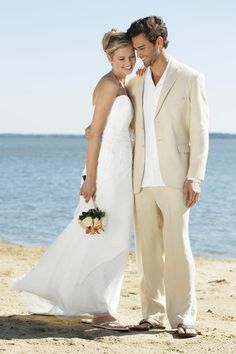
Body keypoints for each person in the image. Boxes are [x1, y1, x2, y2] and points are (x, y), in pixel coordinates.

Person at [13, 30, 136, 331]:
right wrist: (91, 179)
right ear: (108, 58)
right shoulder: (108, 85)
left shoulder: (123, 83)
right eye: (122, 58)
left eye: (132, 57)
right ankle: (101, 311)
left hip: (121, 168)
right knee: (105, 235)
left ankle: (96, 302)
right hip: (107, 169)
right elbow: (94, 133)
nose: (128, 63)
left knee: (112, 234)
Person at [126, 16, 209, 338]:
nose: (139, 55)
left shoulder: (190, 78)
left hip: (176, 178)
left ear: (159, 42)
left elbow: (200, 132)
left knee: (178, 249)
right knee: (147, 252)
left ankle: (184, 317)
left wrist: (195, 176)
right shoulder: (136, 82)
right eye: (135, 49)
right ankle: (152, 313)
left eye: (143, 48)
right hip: (141, 181)